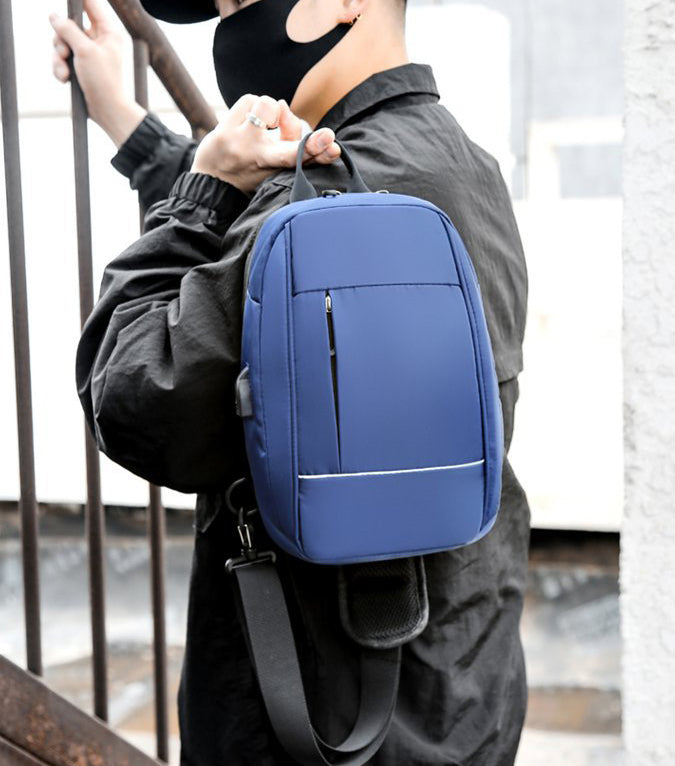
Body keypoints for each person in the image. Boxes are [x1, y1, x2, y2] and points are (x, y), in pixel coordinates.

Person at [50, 0, 531, 763]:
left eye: (240, 1)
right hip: (456, 694)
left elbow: (134, 391)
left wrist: (202, 191)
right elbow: (256, 273)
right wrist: (133, 129)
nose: (229, 25)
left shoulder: (322, 199)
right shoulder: (460, 166)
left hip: (320, 722)